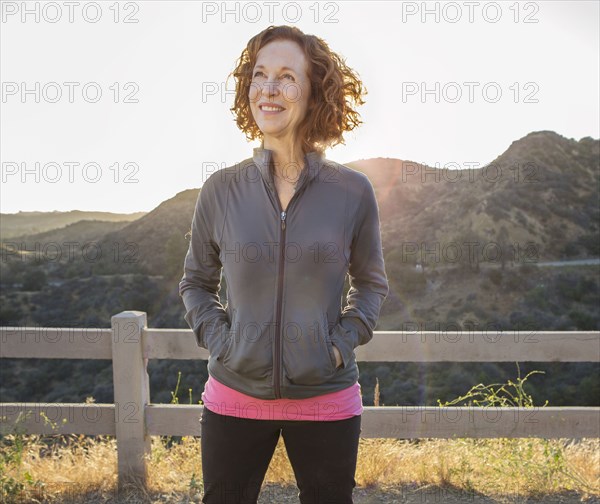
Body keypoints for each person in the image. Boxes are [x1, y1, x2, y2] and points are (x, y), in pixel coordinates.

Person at [179, 25, 389, 504]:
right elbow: (195, 282)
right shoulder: (220, 189)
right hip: (234, 394)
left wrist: (338, 345)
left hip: (327, 399)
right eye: (259, 75)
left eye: (287, 77)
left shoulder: (352, 191)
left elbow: (372, 285)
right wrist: (222, 341)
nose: (268, 88)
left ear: (314, 92)